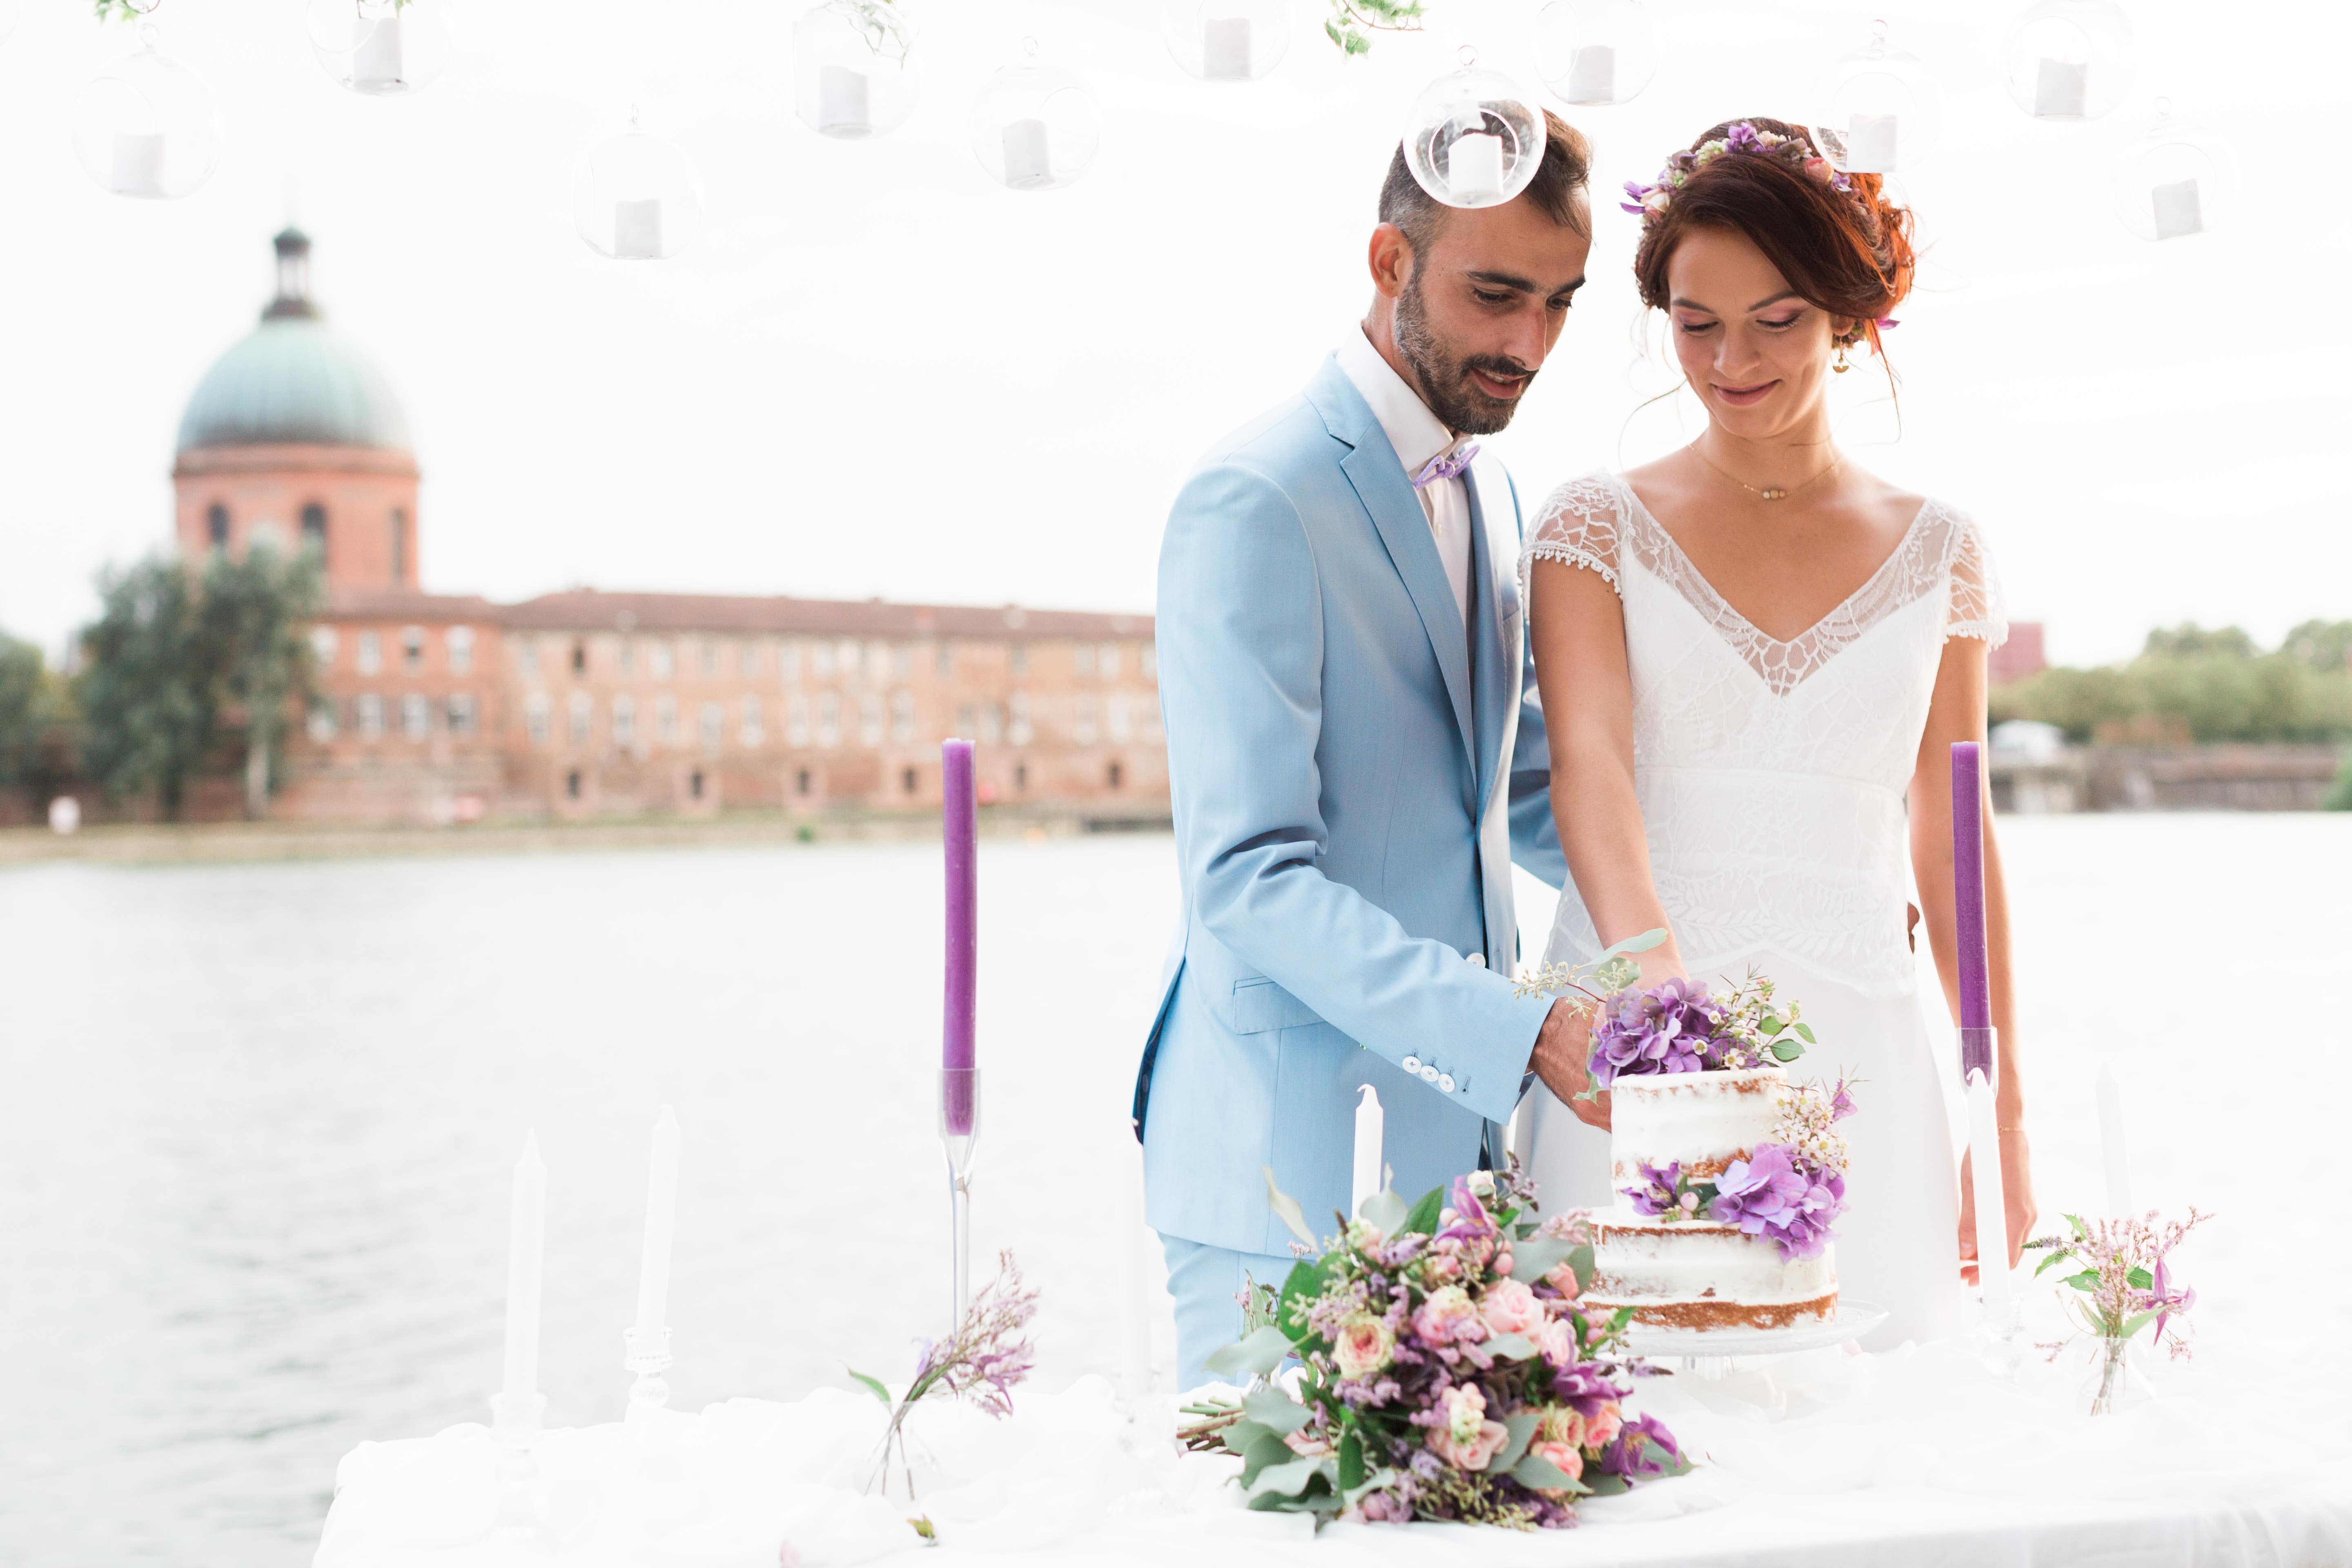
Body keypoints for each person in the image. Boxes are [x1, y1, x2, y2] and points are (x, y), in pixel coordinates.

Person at [1514, 118, 2038, 1347]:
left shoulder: (1941, 552)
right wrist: (1657, 1001)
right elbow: (1587, 763)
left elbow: (1954, 835)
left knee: (1878, 1428)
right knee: (1626, 1427)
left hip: (1855, 1033)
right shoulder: (1593, 525)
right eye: (1697, 324)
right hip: (1640, 1043)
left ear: (1851, 318)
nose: (1731, 359)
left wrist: (2000, 1114)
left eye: (1778, 319)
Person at [1136, 114, 1604, 1389]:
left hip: (1456, 1174)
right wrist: (1520, 1026)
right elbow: (1246, 878)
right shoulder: (1256, 496)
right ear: (1390, 261)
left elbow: (1510, 793)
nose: (1529, 345)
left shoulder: (1497, 494)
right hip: (1286, 1178)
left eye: (1559, 304)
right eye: (1495, 295)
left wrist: (1727, 895)